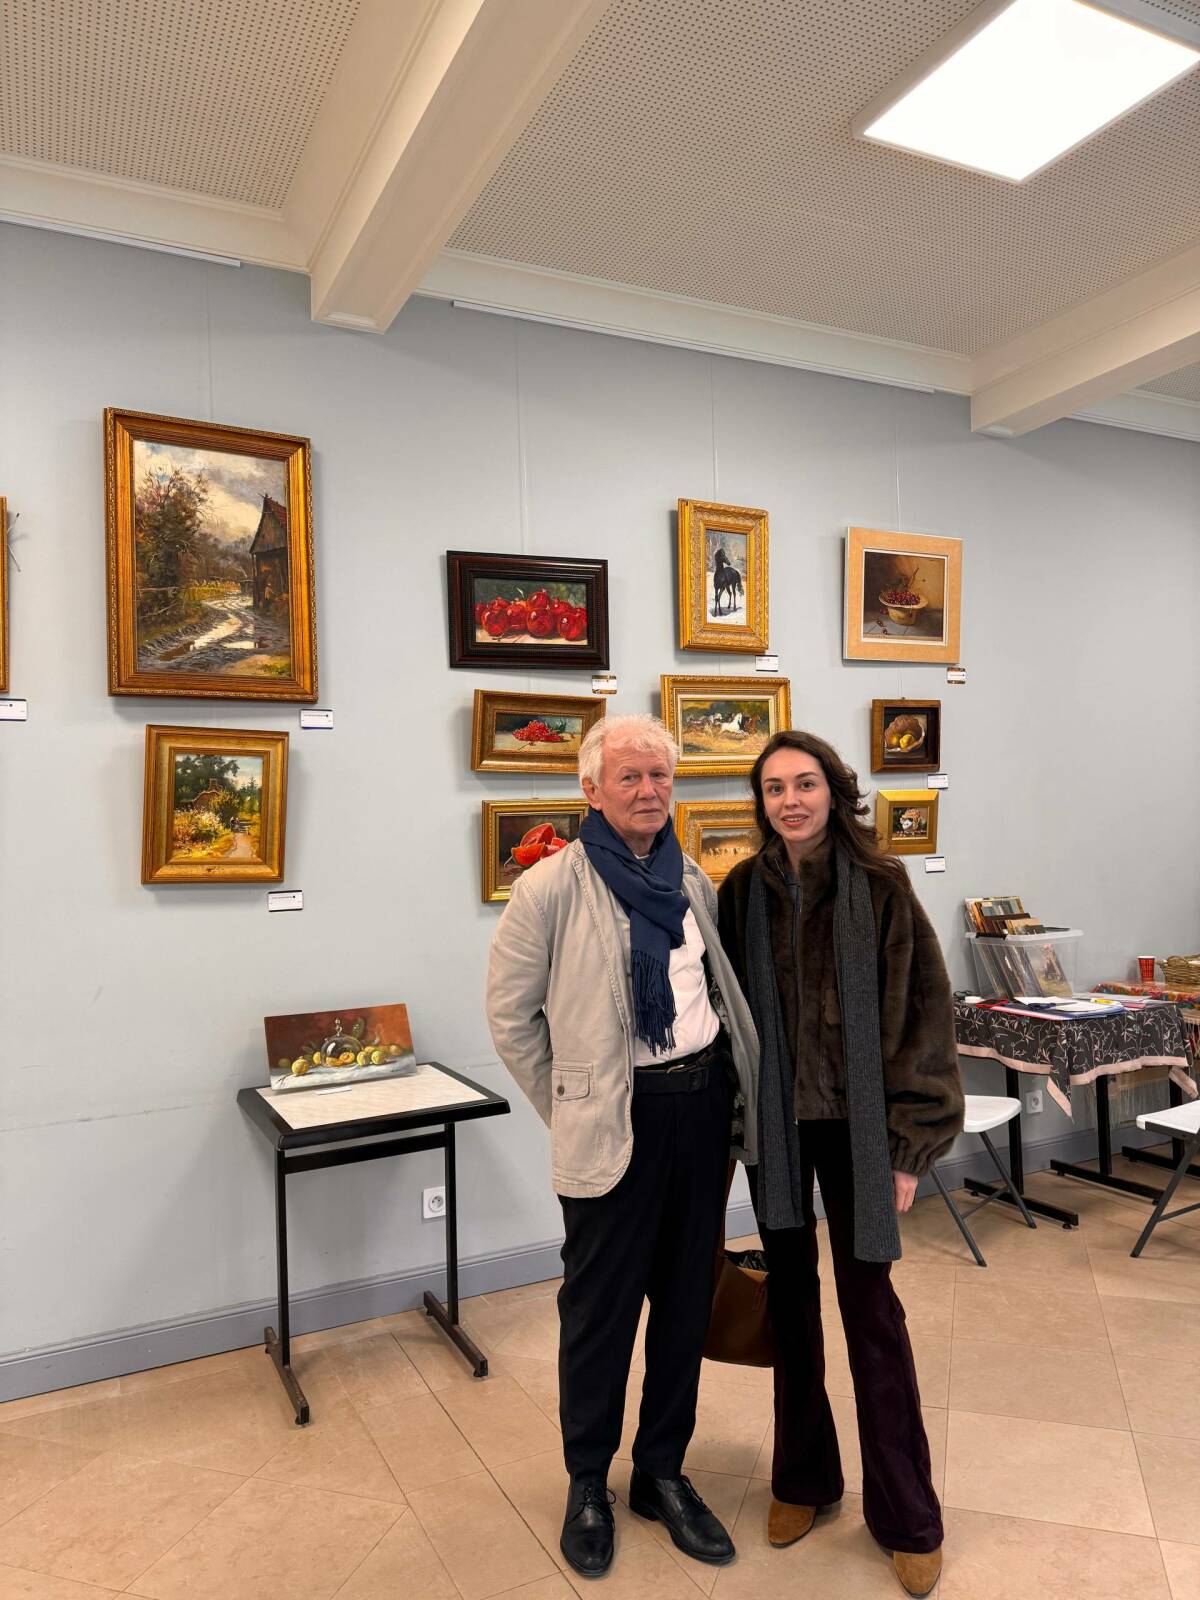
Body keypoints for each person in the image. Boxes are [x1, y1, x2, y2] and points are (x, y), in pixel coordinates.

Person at [486, 714, 759, 1578]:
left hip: (700, 1111)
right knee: (599, 1313)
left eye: (659, 776)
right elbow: (510, 1018)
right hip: (614, 1122)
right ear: (591, 789)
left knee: (684, 1302)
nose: (648, 791)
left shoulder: (693, 880)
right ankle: (587, 1483)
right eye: (630, 777)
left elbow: (713, 989)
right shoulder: (550, 888)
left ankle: (661, 1473)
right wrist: (573, 1104)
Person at [716, 730, 963, 1600]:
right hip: (777, 1135)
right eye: (774, 788)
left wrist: (909, 1148)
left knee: (872, 1315)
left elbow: (926, 1018)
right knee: (789, 1306)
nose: (790, 800)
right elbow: (725, 1016)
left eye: (805, 784)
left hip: (861, 1133)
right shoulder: (740, 892)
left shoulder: (882, 887)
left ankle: (907, 1515)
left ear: (834, 791)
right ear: (762, 802)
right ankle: (804, 1479)